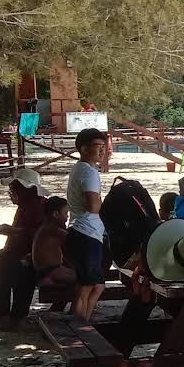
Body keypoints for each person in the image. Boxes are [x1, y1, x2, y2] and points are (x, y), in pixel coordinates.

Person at [64, 128, 109, 321]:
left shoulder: (81, 168)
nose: (102, 151)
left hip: (82, 231)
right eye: (98, 146)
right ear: (83, 148)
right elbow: (93, 206)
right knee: (87, 286)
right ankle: (79, 328)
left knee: (96, 285)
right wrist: (106, 206)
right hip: (86, 233)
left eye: (104, 147)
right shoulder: (88, 172)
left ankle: (84, 323)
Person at [0, 167, 47, 327]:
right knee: (0, 260)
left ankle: (15, 315)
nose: (11, 193)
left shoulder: (39, 205)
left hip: (31, 255)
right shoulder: (26, 204)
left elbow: (39, 233)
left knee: (18, 271)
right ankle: (1, 311)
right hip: (18, 251)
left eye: (13, 190)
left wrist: (13, 231)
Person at [31, 197, 75, 298]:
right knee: (87, 279)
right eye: (65, 213)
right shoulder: (51, 228)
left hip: (49, 270)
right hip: (50, 271)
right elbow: (73, 239)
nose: (67, 217)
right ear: (55, 214)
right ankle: (77, 310)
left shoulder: (46, 227)